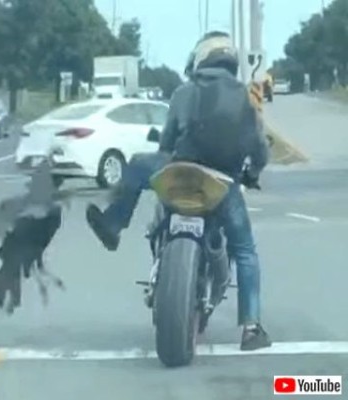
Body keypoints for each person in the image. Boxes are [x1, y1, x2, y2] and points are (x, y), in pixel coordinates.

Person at [85, 31, 272, 351]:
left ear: (200, 60)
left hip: (181, 173)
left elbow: (167, 142)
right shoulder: (247, 97)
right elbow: (259, 148)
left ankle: (113, 225)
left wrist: (166, 158)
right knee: (244, 250)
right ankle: (251, 329)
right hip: (221, 184)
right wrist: (251, 173)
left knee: (136, 165)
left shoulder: (184, 92)